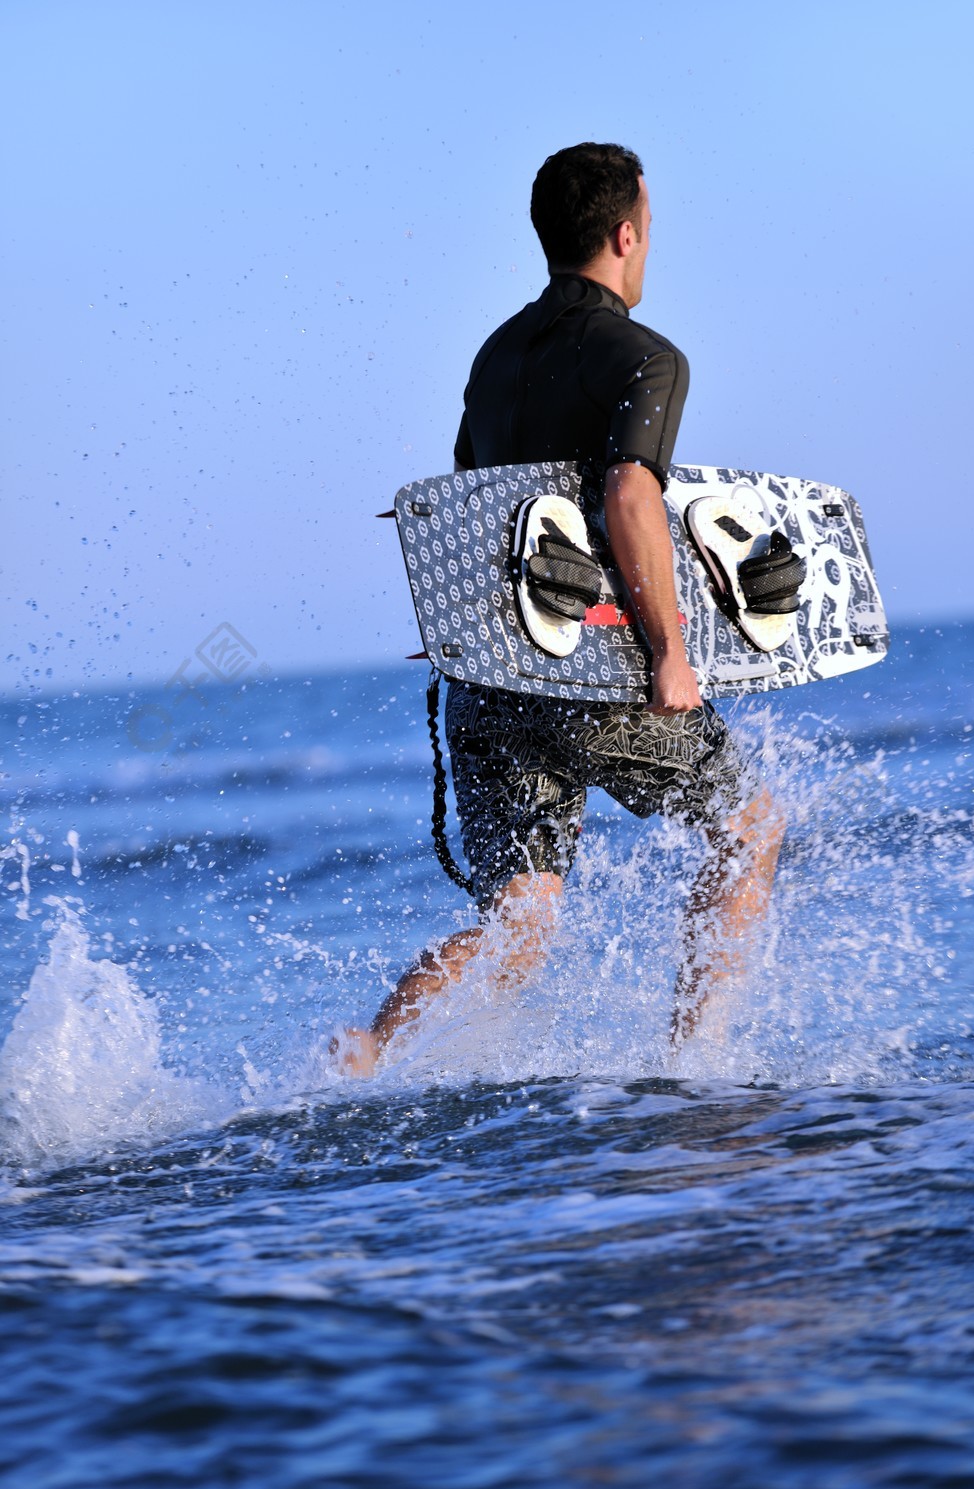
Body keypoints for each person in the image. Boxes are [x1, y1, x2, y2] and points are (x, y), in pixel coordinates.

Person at [337, 143, 784, 1078]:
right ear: (626, 234)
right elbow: (629, 494)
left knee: (520, 926)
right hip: (596, 672)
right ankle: (693, 1070)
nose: (649, 244)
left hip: (490, 681)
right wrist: (670, 653)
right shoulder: (646, 357)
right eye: (649, 229)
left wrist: (462, 639)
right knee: (752, 830)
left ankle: (366, 1050)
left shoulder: (495, 356)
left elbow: (468, 515)